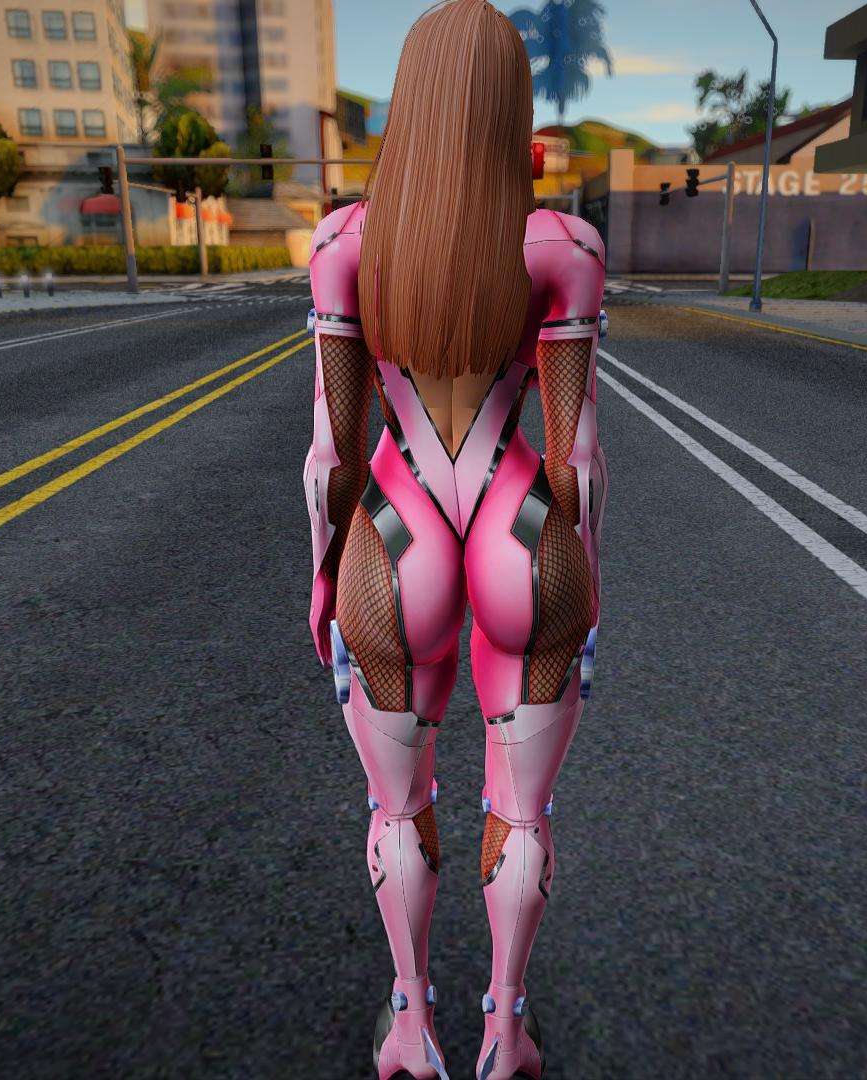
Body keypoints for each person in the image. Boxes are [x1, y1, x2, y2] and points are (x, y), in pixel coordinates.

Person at [300, 3, 606, 1076]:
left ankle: (411, 1028)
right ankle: (505, 1029)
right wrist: (586, 582)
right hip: (526, 532)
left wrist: (323, 573)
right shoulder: (562, 247)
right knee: (521, 810)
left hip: (397, 535)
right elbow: (578, 463)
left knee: (399, 805)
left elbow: (331, 457)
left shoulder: (346, 243)